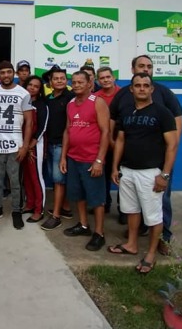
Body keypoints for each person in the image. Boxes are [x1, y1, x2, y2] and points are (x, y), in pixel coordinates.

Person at [110, 55, 182, 256]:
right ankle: (132, 244)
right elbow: (120, 138)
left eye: (149, 67)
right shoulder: (125, 104)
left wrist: (165, 173)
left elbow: (172, 141)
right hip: (128, 169)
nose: (142, 87)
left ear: (151, 88)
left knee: (157, 211)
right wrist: (115, 166)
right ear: (132, 84)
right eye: (138, 85)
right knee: (132, 210)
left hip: (153, 170)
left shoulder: (163, 107)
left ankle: (158, 245)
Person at [0, 61, 33, 230]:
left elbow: (29, 122)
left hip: (15, 145)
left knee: (15, 181)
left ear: (13, 73)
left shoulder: (23, 93)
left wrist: (25, 146)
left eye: (9, 72)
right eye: (2, 72)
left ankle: (16, 211)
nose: (6, 75)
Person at [61, 71, 109, 251]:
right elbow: (67, 130)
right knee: (77, 194)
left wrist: (99, 160)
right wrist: (63, 157)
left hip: (91, 159)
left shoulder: (98, 102)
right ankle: (83, 225)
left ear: (90, 83)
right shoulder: (71, 104)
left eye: (81, 82)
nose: (77, 85)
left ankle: (99, 233)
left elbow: (105, 132)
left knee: (96, 199)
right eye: (74, 82)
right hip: (73, 158)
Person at [41, 67, 75, 231]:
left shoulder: (71, 98)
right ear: (50, 82)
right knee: (57, 180)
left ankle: (56, 216)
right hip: (51, 143)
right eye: (56, 78)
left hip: (63, 145)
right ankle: (66, 208)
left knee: (59, 180)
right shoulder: (48, 99)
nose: (60, 81)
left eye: (63, 78)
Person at [94, 66, 121, 213]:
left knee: (122, 178)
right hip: (101, 143)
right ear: (98, 80)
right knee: (102, 177)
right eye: (102, 78)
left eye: (108, 77)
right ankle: (104, 203)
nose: (105, 80)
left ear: (113, 78)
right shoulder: (96, 97)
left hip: (121, 143)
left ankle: (124, 210)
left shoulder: (124, 94)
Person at [21, 75, 48, 223]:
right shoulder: (21, 102)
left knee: (36, 177)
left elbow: (43, 127)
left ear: (39, 90)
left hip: (35, 146)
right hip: (22, 145)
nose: (32, 88)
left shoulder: (42, 105)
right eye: (30, 84)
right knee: (26, 176)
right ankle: (30, 204)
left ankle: (39, 209)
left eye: (36, 86)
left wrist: (31, 144)